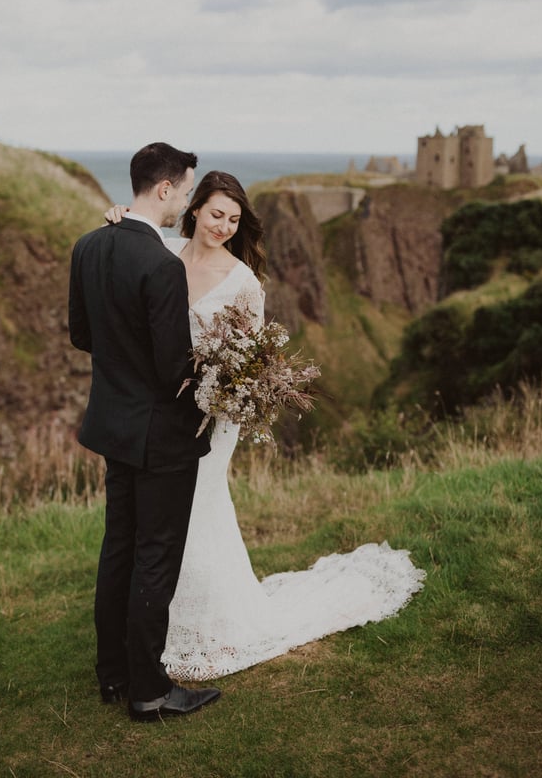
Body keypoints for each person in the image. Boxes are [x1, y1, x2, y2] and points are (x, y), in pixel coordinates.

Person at [105, 170, 426, 681]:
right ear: (193, 211)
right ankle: (157, 626)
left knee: (199, 511)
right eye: (215, 214)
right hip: (161, 412)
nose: (224, 227)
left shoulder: (243, 281)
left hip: (215, 417)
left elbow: (253, 361)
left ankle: (204, 627)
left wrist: (222, 391)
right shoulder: (163, 253)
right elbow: (133, 233)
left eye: (234, 220)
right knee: (163, 520)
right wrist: (117, 215)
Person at [68, 142, 221, 722]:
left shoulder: (87, 246)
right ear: (164, 190)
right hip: (161, 435)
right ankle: (150, 690)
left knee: (119, 550)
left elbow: (82, 335)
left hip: (113, 425)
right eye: (185, 191)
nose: (185, 200)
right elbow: (171, 367)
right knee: (156, 556)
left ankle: (113, 675)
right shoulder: (160, 265)